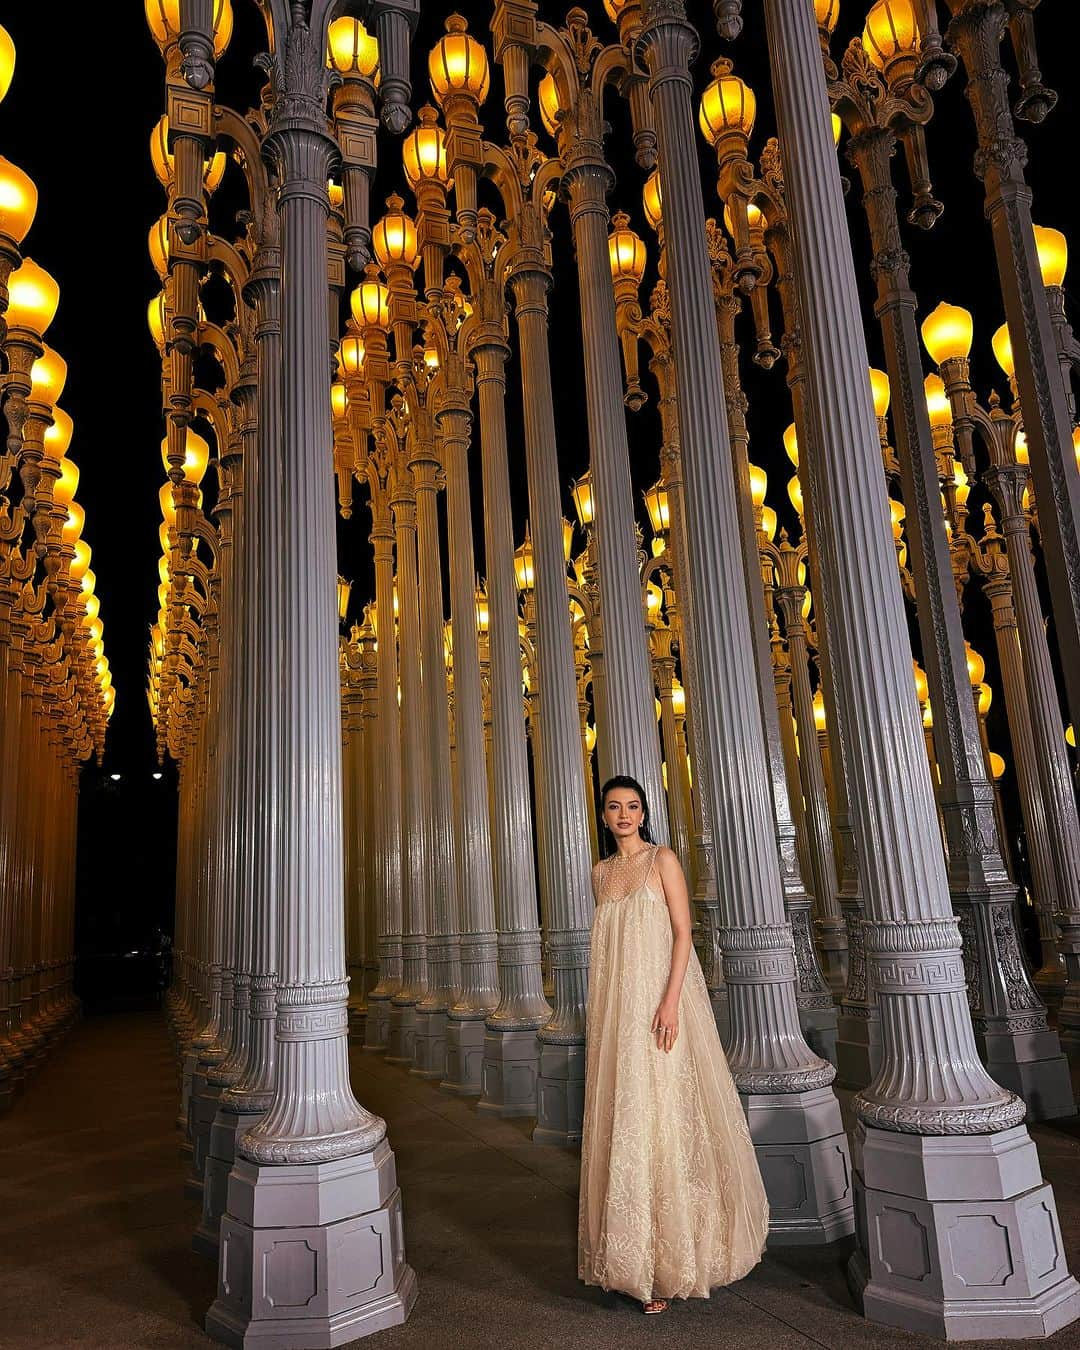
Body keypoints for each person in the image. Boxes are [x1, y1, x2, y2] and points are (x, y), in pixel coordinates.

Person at [577, 774, 770, 1314]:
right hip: (618, 1016)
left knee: (665, 1116)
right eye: (614, 807)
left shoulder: (663, 860)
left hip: (661, 1009)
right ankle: (633, 1263)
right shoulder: (600, 873)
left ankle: (672, 1260)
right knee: (628, 1119)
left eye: (632, 807)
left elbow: (683, 933)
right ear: (603, 816)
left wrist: (668, 1003)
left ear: (643, 813)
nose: (623, 815)